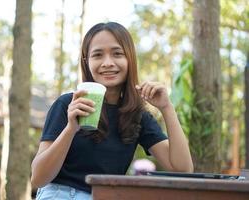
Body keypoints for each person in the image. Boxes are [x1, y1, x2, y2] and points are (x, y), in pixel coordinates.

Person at [31, 22, 193, 200]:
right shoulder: (67, 105)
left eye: (117, 54)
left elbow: (183, 170)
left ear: (129, 59)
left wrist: (166, 107)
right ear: (87, 62)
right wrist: (71, 129)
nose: (107, 63)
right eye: (98, 55)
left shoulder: (137, 115)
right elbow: (39, 178)